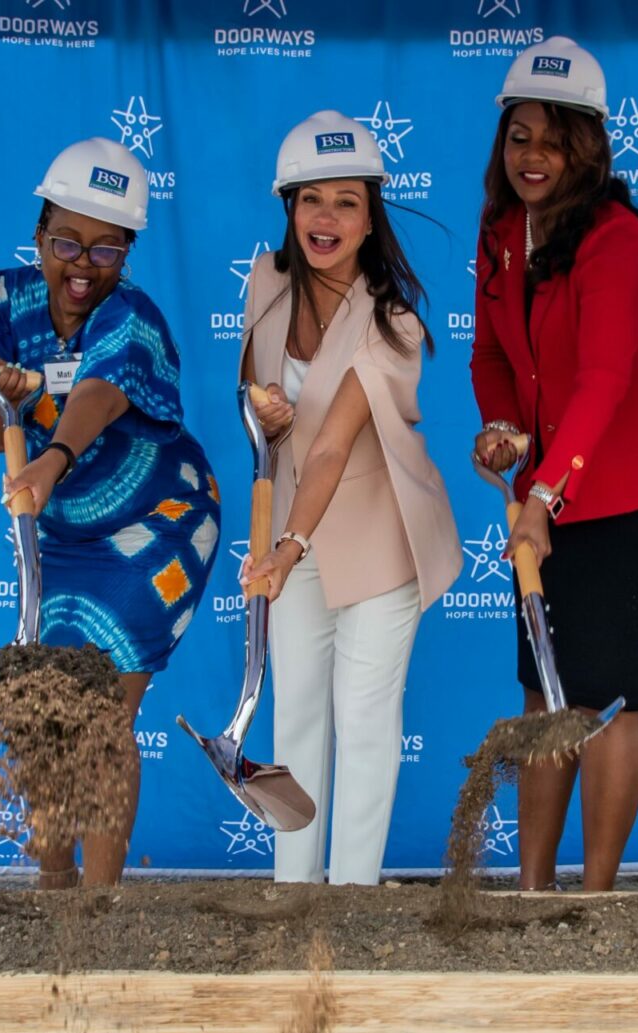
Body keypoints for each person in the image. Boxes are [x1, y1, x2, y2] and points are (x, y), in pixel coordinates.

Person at [468, 37, 638, 892]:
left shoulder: (611, 237)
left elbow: (605, 378)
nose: (534, 156)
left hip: (636, 492)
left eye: (554, 138)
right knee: (545, 695)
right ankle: (534, 893)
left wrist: (542, 492)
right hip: (553, 493)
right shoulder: (500, 235)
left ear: (590, 147)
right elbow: (491, 359)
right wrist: (503, 427)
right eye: (519, 137)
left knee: (609, 703)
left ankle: (597, 895)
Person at [0, 137, 219, 888]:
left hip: (159, 522)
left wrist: (49, 459)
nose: (82, 265)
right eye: (66, 242)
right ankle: (53, 889)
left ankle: (100, 910)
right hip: (63, 530)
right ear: (40, 231)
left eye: (106, 250)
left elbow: (96, 399)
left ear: (128, 250)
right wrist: (0, 403)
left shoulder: (133, 316)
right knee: (47, 708)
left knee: (104, 715)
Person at [238, 111, 462, 886]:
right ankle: (294, 896)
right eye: (310, 200)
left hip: (375, 539)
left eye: (346, 202)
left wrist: (285, 547)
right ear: (288, 205)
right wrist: (262, 409)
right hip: (294, 537)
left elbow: (332, 444)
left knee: (364, 722)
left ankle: (353, 899)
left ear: (371, 219)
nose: (324, 219)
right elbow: (260, 398)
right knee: (295, 714)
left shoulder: (391, 322)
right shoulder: (264, 283)